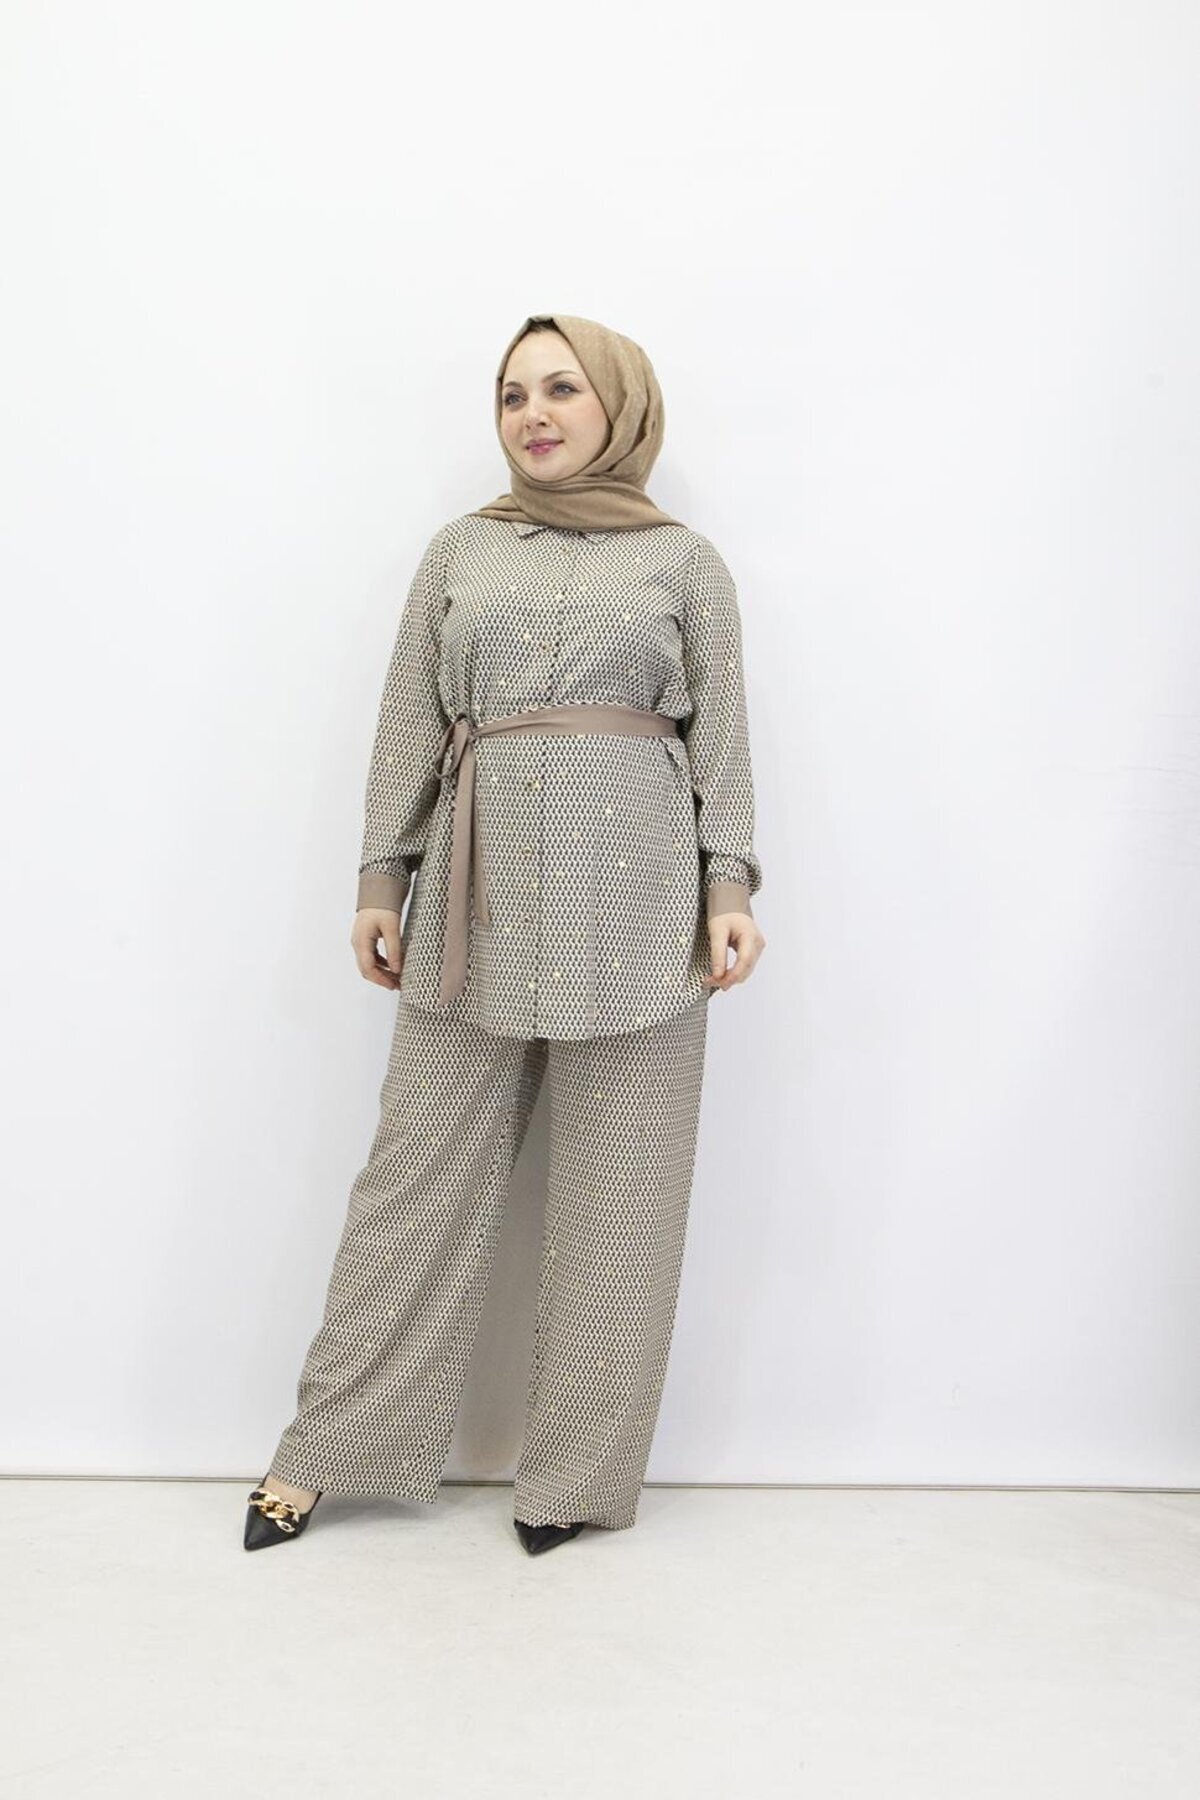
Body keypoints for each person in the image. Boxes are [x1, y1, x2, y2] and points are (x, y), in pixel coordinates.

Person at [243, 311, 765, 1556]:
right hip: (469, 908)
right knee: (412, 1186)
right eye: (512, 393)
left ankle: (571, 1483)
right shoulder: (460, 550)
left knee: (623, 1201)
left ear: (620, 406)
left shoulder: (685, 564)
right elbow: (409, 722)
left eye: (562, 389)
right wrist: (381, 877)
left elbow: (724, 738)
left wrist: (730, 888)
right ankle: (327, 1452)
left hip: (642, 911)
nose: (532, 414)